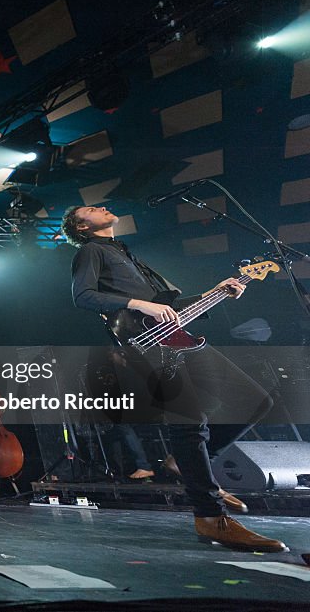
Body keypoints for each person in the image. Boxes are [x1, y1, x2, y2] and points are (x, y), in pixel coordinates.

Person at [62, 204, 286, 552]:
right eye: (92, 208)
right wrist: (141, 304)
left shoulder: (127, 254)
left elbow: (170, 308)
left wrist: (218, 290)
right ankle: (210, 515)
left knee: (255, 400)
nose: (103, 207)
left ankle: (186, 463)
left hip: (174, 337)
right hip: (145, 344)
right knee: (189, 421)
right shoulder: (91, 251)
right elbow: (83, 296)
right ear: (81, 226)